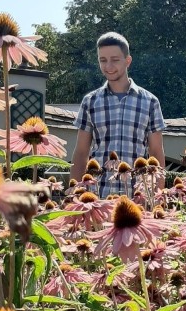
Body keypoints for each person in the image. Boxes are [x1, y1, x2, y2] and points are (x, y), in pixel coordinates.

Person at [70, 32, 166, 198]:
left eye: (114, 60)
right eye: (103, 60)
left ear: (127, 61)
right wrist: (74, 197)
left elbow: (156, 153)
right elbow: (81, 153)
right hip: (98, 196)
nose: (108, 66)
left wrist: (156, 197)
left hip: (137, 198)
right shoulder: (90, 101)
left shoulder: (150, 102)